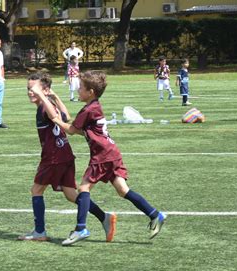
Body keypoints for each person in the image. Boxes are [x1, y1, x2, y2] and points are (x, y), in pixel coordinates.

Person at [52, 70, 167, 246]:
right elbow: (84, 129)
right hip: (112, 152)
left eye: (81, 88)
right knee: (123, 190)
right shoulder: (95, 106)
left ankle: (80, 228)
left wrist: (56, 120)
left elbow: (72, 130)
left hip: (102, 155)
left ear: (90, 92)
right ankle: (154, 214)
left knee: (83, 188)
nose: (77, 90)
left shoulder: (88, 109)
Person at [18, 72, 117, 242]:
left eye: (34, 89)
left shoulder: (44, 107)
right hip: (65, 156)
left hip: (53, 158)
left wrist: (45, 97)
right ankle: (104, 217)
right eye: (29, 89)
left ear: (45, 89)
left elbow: (56, 117)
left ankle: (39, 232)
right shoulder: (48, 105)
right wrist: (54, 97)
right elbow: (67, 117)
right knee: (71, 194)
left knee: (36, 190)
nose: (30, 92)